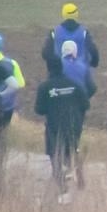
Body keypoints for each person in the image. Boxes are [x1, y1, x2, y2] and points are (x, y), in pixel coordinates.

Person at [34, 57, 88, 200]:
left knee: (55, 156)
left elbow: (39, 109)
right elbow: (86, 105)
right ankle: (74, 170)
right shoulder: (75, 85)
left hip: (54, 128)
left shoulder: (45, 87)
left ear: (48, 69)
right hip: (74, 126)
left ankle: (64, 191)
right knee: (71, 150)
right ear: (62, 68)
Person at [0, 33, 24, 156]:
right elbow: (21, 83)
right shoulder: (12, 63)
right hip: (7, 106)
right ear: (2, 46)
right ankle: (1, 157)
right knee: (1, 133)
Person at [42, 3, 100, 70]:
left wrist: (53, 66)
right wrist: (93, 64)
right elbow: (93, 52)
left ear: (63, 14)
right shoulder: (83, 32)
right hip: (80, 72)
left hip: (59, 72)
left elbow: (45, 53)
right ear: (76, 14)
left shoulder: (54, 32)